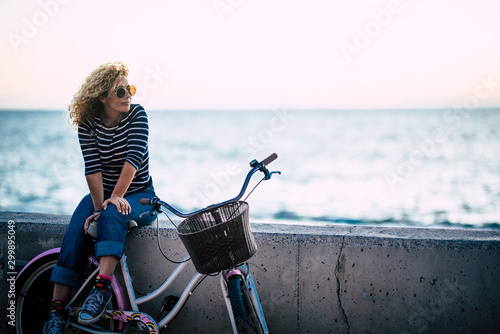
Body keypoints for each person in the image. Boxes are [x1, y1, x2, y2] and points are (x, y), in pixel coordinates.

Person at [43, 62, 157, 334]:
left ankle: (101, 289)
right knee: (75, 232)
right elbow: (92, 169)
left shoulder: (138, 116)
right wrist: (97, 208)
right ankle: (56, 314)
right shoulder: (88, 124)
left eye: (130, 88)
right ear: (103, 96)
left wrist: (114, 199)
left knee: (114, 212)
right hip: (103, 196)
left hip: (140, 196)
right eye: (120, 91)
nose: (128, 95)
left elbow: (133, 159)